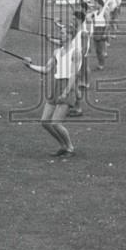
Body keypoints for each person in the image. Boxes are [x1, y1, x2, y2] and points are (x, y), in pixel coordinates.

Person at [22, 27, 79, 157]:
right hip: (56, 85)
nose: (60, 35)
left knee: (56, 123)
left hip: (67, 86)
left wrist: (66, 92)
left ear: (70, 36)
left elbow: (73, 75)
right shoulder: (57, 52)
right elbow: (46, 69)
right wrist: (29, 65)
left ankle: (70, 147)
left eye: (63, 33)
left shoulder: (76, 52)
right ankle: (63, 146)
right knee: (45, 122)